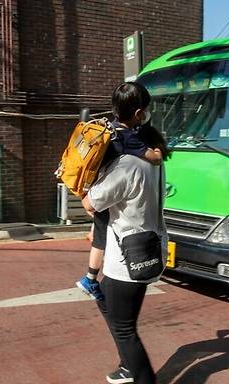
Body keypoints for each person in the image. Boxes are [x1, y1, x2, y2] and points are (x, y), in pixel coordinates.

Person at [81, 82, 170, 384]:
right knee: (108, 301)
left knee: (124, 326)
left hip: (128, 257)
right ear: (140, 114)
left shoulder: (126, 166)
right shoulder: (155, 158)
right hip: (152, 246)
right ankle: (127, 365)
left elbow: (91, 204)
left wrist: (77, 177)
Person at [76, 82, 163, 300]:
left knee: (98, 232)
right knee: (100, 239)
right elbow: (153, 159)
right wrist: (158, 151)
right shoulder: (129, 138)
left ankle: (90, 275)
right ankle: (90, 278)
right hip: (108, 197)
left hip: (97, 188)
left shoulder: (109, 130)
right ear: (139, 113)